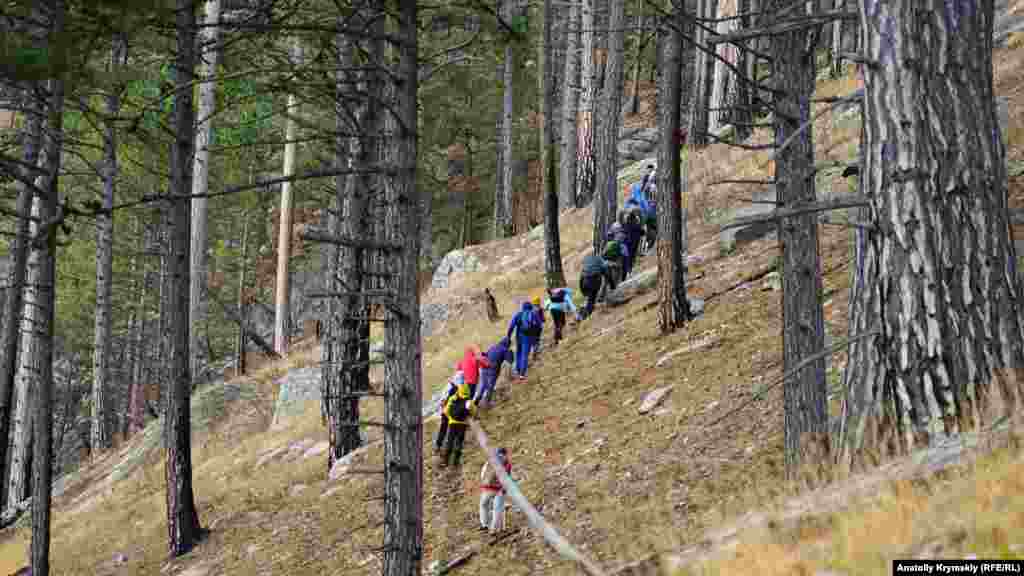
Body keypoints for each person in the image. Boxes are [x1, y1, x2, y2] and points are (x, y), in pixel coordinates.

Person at [439, 382, 476, 468]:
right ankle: (455, 462)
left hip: (452, 423)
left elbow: (446, 411)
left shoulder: (453, 398)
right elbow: (474, 411)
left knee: (450, 441)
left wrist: (450, 418)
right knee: (459, 443)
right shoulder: (468, 401)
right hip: (462, 424)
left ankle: (445, 461)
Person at [479, 447, 512, 535]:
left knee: (484, 505)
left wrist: (482, 484)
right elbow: (506, 478)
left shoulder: (490, 461)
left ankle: (484, 525)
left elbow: (483, 473)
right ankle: (494, 529)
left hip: (487, 488)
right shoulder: (507, 463)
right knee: (497, 509)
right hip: (498, 490)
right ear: (505, 454)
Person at [506, 300, 542, 379]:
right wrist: (537, 336)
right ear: (530, 307)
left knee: (518, 353)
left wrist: (508, 336)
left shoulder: (518, 314)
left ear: (522, 307)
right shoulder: (534, 314)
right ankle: (522, 374)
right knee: (525, 354)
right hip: (529, 337)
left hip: (519, 337)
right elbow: (540, 326)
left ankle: (517, 370)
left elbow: (511, 326)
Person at [475, 337, 514, 406]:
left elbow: (485, 354)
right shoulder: (505, 350)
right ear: (508, 344)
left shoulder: (494, 346)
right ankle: (487, 403)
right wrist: (511, 353)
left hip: (484, 368)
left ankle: (477, 400)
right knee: (490, 387)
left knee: (482, 385)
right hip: (493, 371)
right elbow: (510, 361)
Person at [579, 251, 617, 320]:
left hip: (584, 280)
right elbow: (607, 274)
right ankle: (584, 316)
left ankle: (582, 312)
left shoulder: (587, 260)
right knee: (591, 299)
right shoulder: (601, 261)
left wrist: (581, 288)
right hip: (594, 280)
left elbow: (581, 274)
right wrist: (612, 285)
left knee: (588, 297)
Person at [434, 370, 464, 454]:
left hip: (445, 411)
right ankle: (445, 447)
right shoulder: (458, 390)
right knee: (450, 431)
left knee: (443, 428)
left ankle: (438, 445)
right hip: (451, 412)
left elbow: (442, 400)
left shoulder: (449, 387)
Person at [530, 297, 545, 361]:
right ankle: (535, 355)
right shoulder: (540, 309)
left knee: (534, 341)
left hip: (530, 328)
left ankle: (535, 350)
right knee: (537, 340)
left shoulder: (530, 309)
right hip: (538, 328)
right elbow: (543, 319)